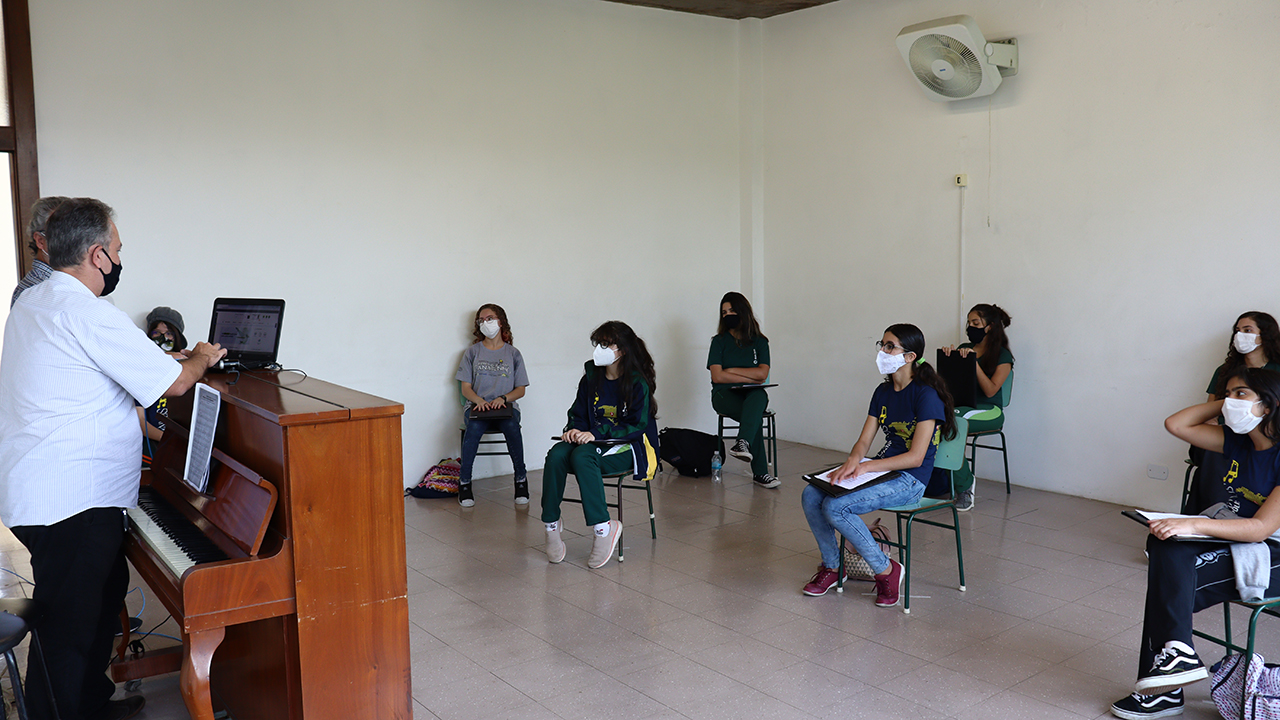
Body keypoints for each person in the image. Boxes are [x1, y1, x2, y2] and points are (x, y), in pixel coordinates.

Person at [0, 198, 226, 720]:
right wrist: (199, 357)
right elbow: (173, 383)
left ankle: (93, 706)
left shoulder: (38, 300)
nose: (121, 260)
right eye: (118, 250)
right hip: (69, 499)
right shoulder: (84, 309)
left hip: (56, 493)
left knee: (101, 603)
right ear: (98, 254)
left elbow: (107, 369)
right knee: (69, 628)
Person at [1110, 368, 1280, 720]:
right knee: (1163, 546)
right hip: (1238, 536)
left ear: (1269, 406)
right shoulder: (1237, 441)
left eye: (1241, 395)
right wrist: (1230, 401)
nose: (1230, 402)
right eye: (1227, 394)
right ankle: (1177, 658)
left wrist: (1191, 523)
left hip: (1272, 554)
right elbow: (1176, 424)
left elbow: (1261, 529)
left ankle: (1166, 687)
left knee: (1170, 580)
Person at [801, 323, 955, 606]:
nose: (882, 352)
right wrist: (852, 462)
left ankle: (886, 570)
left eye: (889, 346)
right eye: (881, 345)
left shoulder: (925, 395)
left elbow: (916, 457)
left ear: (909, 356)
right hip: (881, 472)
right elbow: (863, 442)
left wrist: (867, 467)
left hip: (910, 480)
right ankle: (833, 567)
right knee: (812, 495)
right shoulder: (882, 393)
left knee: (836, 506)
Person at [543, 321, 658, 569]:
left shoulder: (637, 383)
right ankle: (551, 524)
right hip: (592, 443)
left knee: (583, 456)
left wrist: (595, 433)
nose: (600, 349)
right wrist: (573, 428)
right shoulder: (592, 378)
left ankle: (604, 528)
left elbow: (637, 425)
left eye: (607, 344)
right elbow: (578, 412)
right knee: (556, 455)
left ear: (623, 350)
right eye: (599, 344)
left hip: (629, 447)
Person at [1185, 312, 1280, 513]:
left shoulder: (1276, 371)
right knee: (1214, 451)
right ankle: (1206, 515)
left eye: (1247, 330)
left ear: (1265, 335)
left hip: (1263, 438)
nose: (1240, 335)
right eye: (1237, 330)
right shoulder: (1225, 371)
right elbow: (1210, 413)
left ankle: (1229, 516)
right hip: (1226, 434)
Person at [940, 303, 1015, 511]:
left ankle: (965, 485)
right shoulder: (965, 348)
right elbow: (951, 386)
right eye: (969, 322)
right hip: (963, 406)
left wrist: (974, 364)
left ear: (989, 327)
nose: (970, 326)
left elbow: (991, 391)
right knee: (934, 421)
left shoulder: (1003, 356)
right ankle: (944, 480)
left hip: (990, 411)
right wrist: (951, 360)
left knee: (951, 425)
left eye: (976, 323)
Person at [455, 303, 529, 508]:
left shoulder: (513, 354)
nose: (485, 323)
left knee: (512, 428)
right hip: (477, 407)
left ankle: (521, 480)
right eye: (481, 320)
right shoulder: (472, 352)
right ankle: (465, 483)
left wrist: (503, 399)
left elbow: (520, 389)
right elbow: (466, 388)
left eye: (489, 318)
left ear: (500, 321)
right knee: (474, 429)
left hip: (505, 408)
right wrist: (479, 401)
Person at [707, 292, 779, 489]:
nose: (727, 315)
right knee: (753, 415)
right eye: (724, 312)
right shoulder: (719, 341)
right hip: (723, 395)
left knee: (758, 396)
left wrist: (731, 370)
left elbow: (763, 374)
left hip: (751, 394)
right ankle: (760, 472)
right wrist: (749, 374)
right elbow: (717, 377)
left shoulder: (760, 342)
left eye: (731, 310)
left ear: (743, 311)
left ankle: (743, 443)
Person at [139, 306, 189, 467]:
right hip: (152, 442)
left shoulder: (188, 368)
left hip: (179, 442)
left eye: (169, 333)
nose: (163, 339)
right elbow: (139, 421)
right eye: (157, 333)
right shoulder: (141, 368)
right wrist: (169, 439)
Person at [9, 196, 69, 307]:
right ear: (40, 240)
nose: (71, 240)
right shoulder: (37, 289)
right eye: (62, 234)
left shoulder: (62, 281)